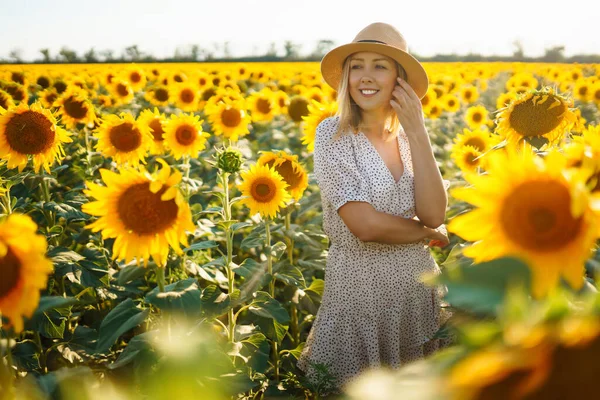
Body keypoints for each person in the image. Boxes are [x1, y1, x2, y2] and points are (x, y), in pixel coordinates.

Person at [296, 22, 454, 393]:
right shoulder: (333, 134)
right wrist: (426, 234)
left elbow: (434, 212)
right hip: (359, 300)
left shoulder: (407, 138)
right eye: (357, 65)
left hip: (418, 299)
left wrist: (418, 130)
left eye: (380, 65)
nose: (365, 77)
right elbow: (363, 225)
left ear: (400, 79)